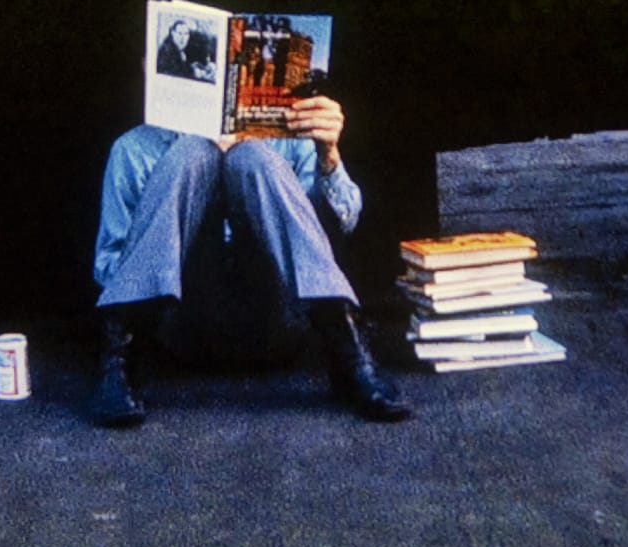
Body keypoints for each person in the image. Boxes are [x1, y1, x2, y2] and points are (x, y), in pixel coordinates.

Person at [88, 93, 408, 428]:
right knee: (191, 154)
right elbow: (107, 269)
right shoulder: (134, 149)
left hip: (278, 318)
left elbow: (341, 225)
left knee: (252, 157)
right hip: (186, 325)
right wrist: (166, 233)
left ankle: (350, 353)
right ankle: (119, 365)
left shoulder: (292, 139)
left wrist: (328, 156)